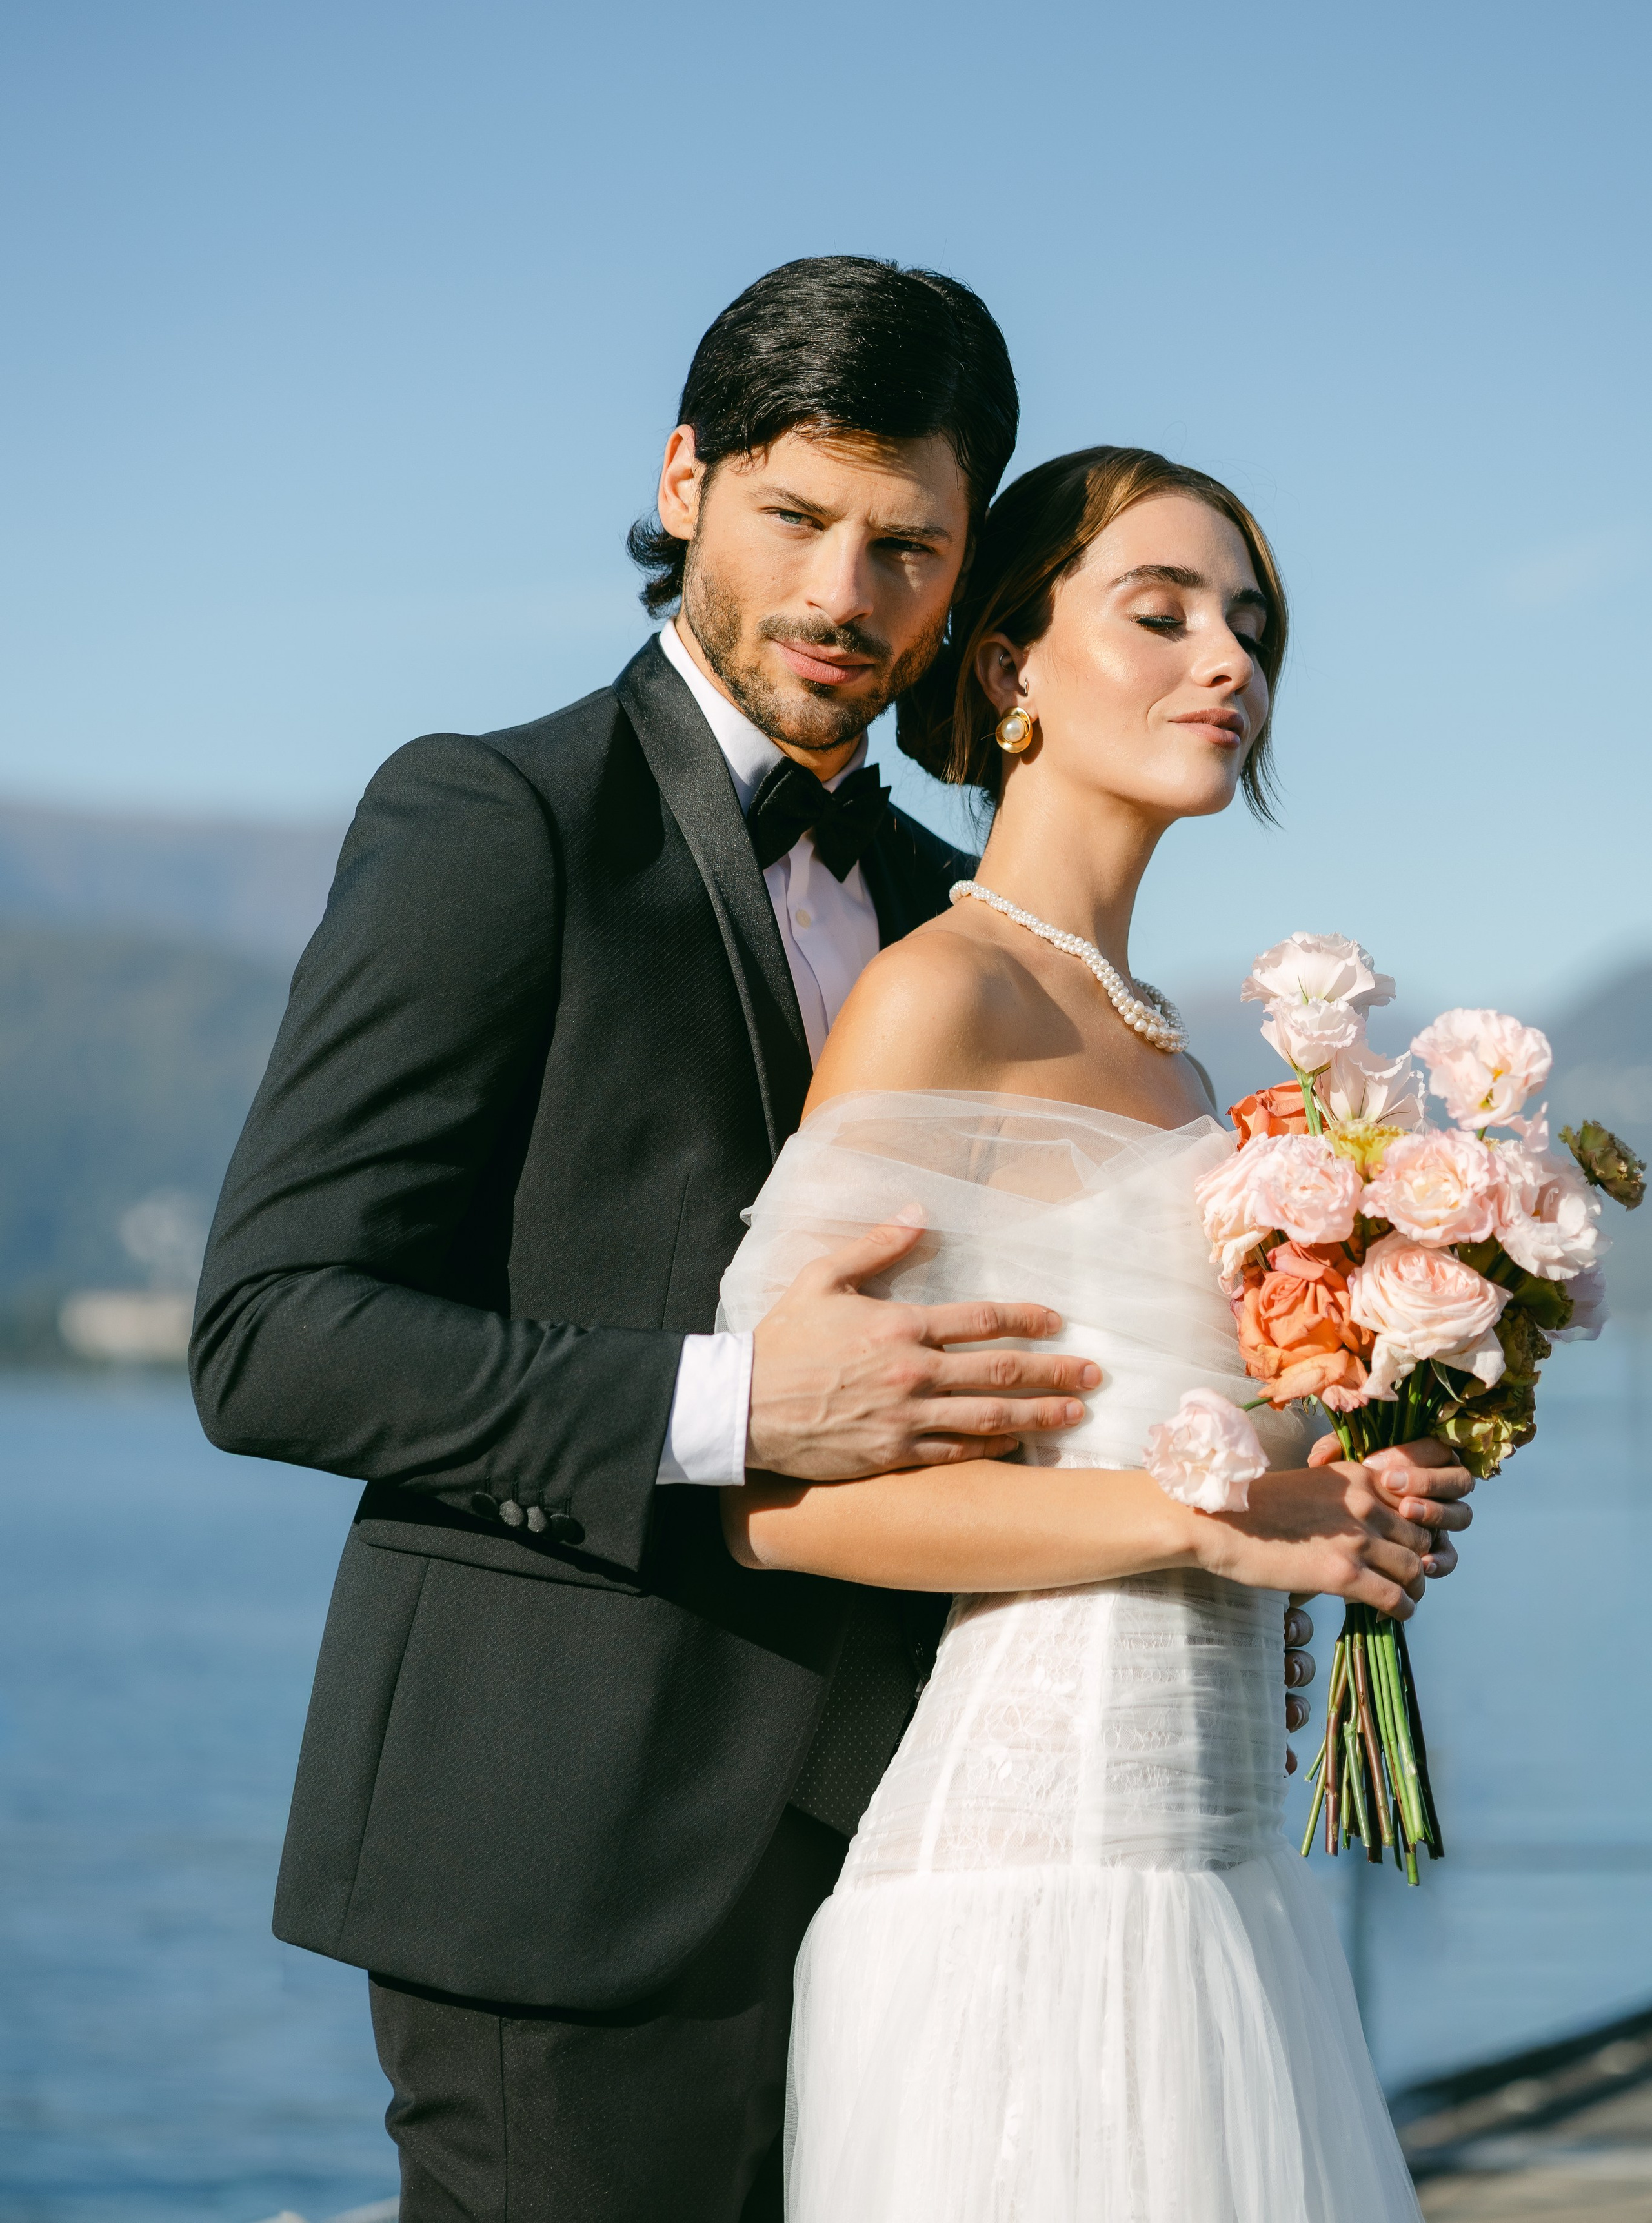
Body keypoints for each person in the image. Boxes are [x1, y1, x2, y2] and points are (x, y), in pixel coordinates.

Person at [190, 259, 1465, 2223]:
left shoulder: (958, 908)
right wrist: (734, 1401)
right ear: (688, 478)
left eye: (911, 547)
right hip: (569, 1837)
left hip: (915, 1822)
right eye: (800, 519)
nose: (847, 595)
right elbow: (271, 1333)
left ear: (971, 581)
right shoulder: (496, 820)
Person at [720, 444, 1466, 2222]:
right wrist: (1209, 1520)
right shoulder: (941, 994)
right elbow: (780, 1497)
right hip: (1030, 1887)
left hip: (1224, 1871)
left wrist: (1348, 1480)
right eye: (1163, 614)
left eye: (1252, 626)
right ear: (1009, 674)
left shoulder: (1188, 1075)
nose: (1231, 663)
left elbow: (1164, 1439)